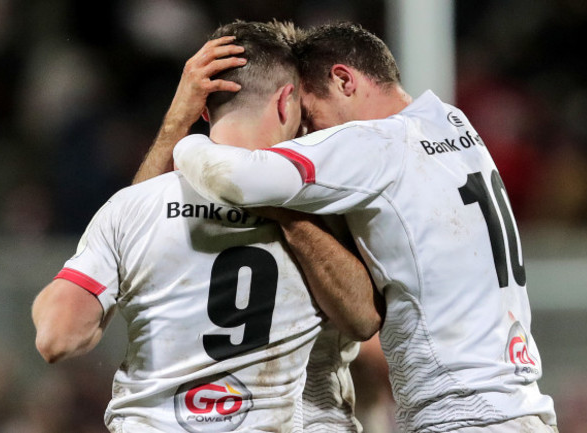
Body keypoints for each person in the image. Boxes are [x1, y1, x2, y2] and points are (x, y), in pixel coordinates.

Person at [171, 22, 559, 433]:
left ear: (343, 80)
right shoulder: (451, 121)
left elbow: (235, 176)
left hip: (463, 415)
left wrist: (189, 131)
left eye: (311, 114)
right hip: (519, 407)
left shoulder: (376, 142)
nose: (307, 132)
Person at [32, 21, 381, 433]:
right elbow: (364, 320)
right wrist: (278, 208)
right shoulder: (325, 205)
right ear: (288, 103)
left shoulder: (133, 207)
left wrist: (173, 124)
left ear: (202, 109)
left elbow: (57, 338)